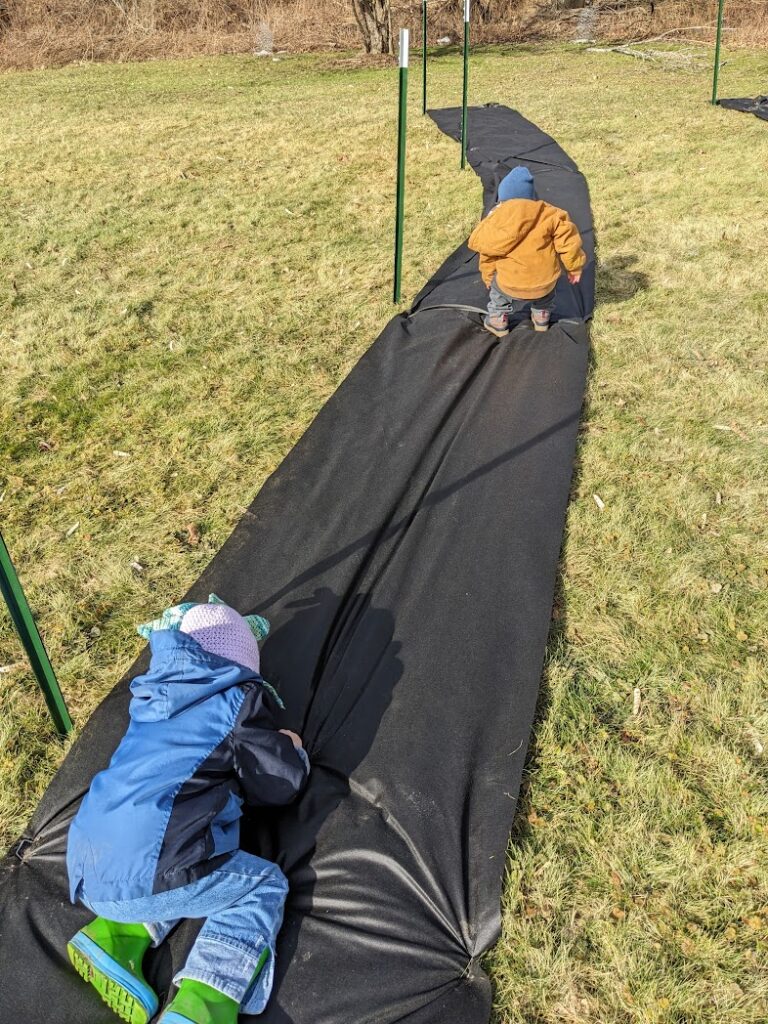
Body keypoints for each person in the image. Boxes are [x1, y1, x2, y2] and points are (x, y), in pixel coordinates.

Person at [65, 594, 310, 1024]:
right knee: (260, 887)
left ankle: (114, 937)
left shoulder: (149, 699)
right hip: (149, 870)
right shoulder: (235, 702)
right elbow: (276, 784)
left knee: (173, 861)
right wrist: (291, 750)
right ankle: (205, 1002)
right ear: (241, 669)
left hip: (88, 865)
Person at [468, 165, 587, 337]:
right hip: (544, 283)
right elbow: (569, 244)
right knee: (545, 297)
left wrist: (487, 276)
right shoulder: (551, 215)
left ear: (503, 197)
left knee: (498, 296)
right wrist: (574, 268)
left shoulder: (495, 220)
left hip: (509, 284)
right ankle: (541, 317)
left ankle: (498, 322)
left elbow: (488, 253)